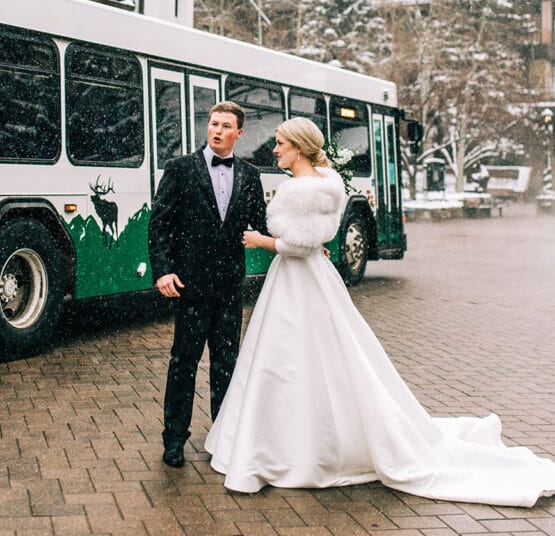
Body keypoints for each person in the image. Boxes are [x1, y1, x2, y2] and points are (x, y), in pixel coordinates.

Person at [205, 117, 555, 506]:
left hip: (294, 279)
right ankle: (313, 441)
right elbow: (316, 241)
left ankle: (281, 446)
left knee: (284, 359)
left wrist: (260, 241)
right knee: (326, 356)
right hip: (314, 279)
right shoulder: (329, 184)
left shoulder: (297, 192)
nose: (274, 150)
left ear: (299, 148)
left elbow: (298, 246)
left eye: (281, 144)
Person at [148, 101, 266, 468]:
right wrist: (163, 271)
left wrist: (306, 239)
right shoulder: (180, 169)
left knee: (226, 363)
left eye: (225, 125)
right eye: (213, 124)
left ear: (239, 133)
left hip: (230, 286)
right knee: (184, 361)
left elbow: (261, 222)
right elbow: (160, 224)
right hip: (189, 284)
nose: (216, 130)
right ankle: (174, 439)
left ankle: (224, 436)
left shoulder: (249, 174)